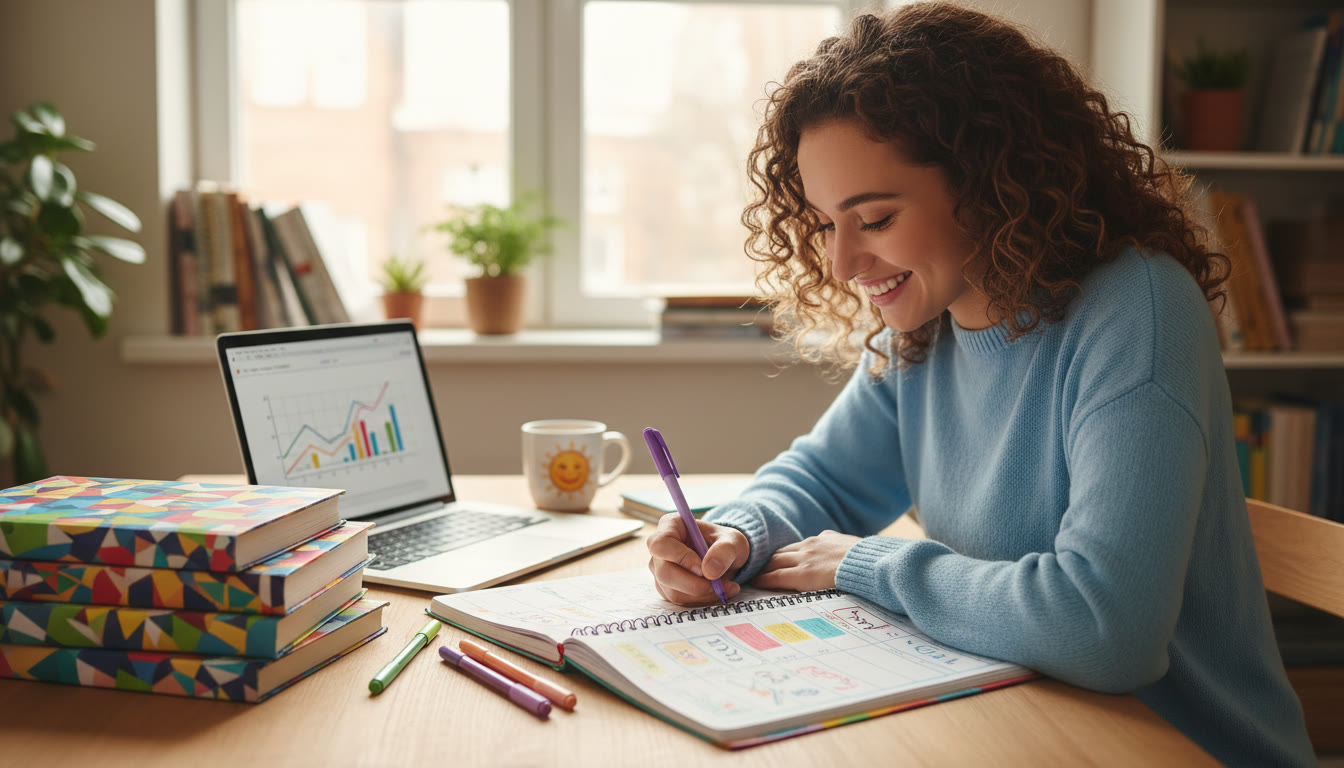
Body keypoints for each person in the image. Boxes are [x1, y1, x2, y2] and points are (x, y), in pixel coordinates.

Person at [645, 4, 1314, 766]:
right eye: (827, 223)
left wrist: (866, 563)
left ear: (995, 181)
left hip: (1174, 746)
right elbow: (824, 479)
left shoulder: (1139, 314)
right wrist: (736, 534)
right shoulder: (927, 325)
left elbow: (1107, 631)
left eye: (876, 217)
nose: (841, 263)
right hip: (1025, 722)